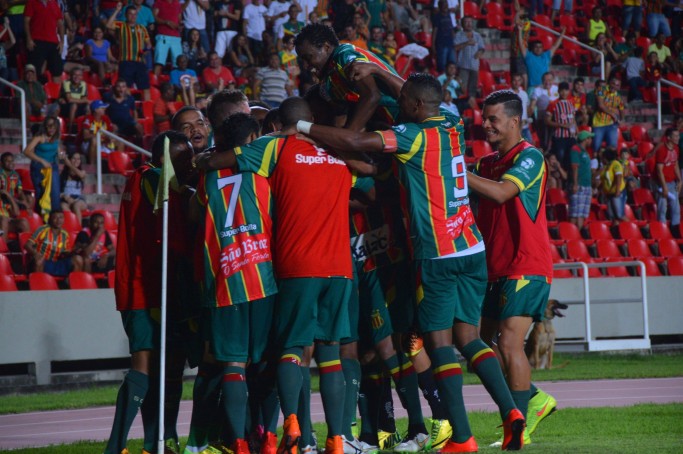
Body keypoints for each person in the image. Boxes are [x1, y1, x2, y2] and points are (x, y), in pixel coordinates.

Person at [296, 72, 526, 452]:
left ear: (417, 106)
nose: (396, 108)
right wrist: (375, 75)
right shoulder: (453, 124)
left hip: (437, 254)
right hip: (471, 247)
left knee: (438, 346)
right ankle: (511, 412)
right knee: (470, 338)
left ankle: (463, 438)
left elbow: (355, 140)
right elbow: (408, 93)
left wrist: (304, 127)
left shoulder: (410, 136)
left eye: (403, 103)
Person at [197, 96, 363, 454]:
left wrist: (201, 159)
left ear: (280, 124)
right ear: (311, 119)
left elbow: (221, 160)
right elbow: (367, 177)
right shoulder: (336, 153)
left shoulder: (275, 148)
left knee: (291, 348)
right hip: (340, 267)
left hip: (297, 266)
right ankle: (337, 439)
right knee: (331, 352)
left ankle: (292, 422)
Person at [466, 90, 556, 448]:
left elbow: (503, 193)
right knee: (474, 344)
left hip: (527, 265)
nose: (485, 124)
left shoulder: (531, 157)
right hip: (492, 268)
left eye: (493, 119)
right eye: (484, 118)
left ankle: (518, 429)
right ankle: (533, 398)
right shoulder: (485, 164)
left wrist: (455, 169)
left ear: (515, 122)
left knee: (507, 342)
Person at [190, 113, 277, 454]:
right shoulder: (261, 170)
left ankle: (239, 443)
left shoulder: (207, 176)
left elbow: (194, 217)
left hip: (224, 281)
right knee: (269, 360)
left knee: (233, 364)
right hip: (263, 279)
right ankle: (268, 438)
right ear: (253, 137)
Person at [105, 131, 195, 454]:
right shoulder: (150, 176)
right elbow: (175, 189)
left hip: (152, 288)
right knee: (143, 364)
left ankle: (151, 444)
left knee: (158, 369)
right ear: (163, 158)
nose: (188, 165)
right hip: (144, 289)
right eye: (182, 159)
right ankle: (114, 447)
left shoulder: (140, 179)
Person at [294, 23, 400, 131]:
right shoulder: (329, 79)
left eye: (308, 58)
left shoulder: (343, 55)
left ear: (326, 47)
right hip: (390, 126)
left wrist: (347, 136)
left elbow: (372, 95)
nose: (306, 66)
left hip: (403, 118)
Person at [107, 3, 153, 101]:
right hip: (126, 62)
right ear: (126, 15)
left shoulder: (142, 28)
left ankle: (147, 109)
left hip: (140, 62)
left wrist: (146, 50)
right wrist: (116, 10)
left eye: (135, 14)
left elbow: (148, 44)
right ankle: (128, 107)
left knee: (145, 87)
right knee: (125, 87)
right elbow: (108, 25)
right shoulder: (121, 25)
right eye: (130, 14)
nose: (133, 16)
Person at [23, 116, 62, 217]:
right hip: (38, 168)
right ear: (45, 127)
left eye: (53, 126)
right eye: (49, 126)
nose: (51, 129)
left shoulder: (57, 137)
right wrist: (41, 160)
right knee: (40, 194)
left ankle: (54, 218)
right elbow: (26, 151)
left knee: (54, 193)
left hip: (52, 167)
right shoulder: (39, 137)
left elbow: (58, 150)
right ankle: (41, 219)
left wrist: (61, 154)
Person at [25, 210, 83, 276]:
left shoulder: (65, 234)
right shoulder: (42, 230)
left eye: (61, 218)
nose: (58, 220)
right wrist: (36, 254)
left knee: (78, 259)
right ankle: (39, 283)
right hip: (44, 262)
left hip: (58, 262)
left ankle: (70, 283)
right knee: (39, 260)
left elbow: (64, 253)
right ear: (50, 219)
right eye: (55, 218)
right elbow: (27, 245)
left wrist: (73, 252)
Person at [24, 0, 65, 84]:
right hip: (37, 41)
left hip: (53, 42)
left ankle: (57, 95)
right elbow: (26, 21)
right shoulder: (32, 2)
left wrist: (62, 41)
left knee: (57, 71)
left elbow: (60, 23)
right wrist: (29, 39)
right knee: (34, 71)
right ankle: (34, 95)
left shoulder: (54, 3)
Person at [654, 128, 682, 234]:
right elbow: (659, 170)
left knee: (676, 207)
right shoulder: (662, 150)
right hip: (661, 184)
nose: (677, 138)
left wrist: (680, 180)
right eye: (675, 136)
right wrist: (664, 186)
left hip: (672, 182)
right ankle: (662, 231)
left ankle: (675, 231)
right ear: (669, 138)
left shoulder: (676, 148)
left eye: (678, 136)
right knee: (662, 207)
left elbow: (675, 164)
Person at [453, 16, 485, 110]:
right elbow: (455, 48)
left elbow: (482, 48)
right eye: (466, 22)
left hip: (474, 66)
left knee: (472, 90)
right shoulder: (459, 35)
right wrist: (467, 43)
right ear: (462, 24)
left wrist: (480, 52)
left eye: (470, 22)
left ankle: (472, 110)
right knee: (461, 89)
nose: (468, 24)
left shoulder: (477, 35)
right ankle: (459, 108)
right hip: (463, 66)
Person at [545, 81, 577, 168]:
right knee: (560, 156)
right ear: (558, 91)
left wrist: (576, 132)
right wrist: (562, 125)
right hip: (559, 136)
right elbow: (547, 121)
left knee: (572, 158)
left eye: (566, 90)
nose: (564, 93)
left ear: (569, 91)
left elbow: (573, 119)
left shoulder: (572, 103)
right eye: (562, 90)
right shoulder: (553, 104)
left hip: (571, 136)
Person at [569, 131, 595, 229]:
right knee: (575, 213)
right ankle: (571, 235)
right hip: (579, 185)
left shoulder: (585, 151)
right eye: (590, 138)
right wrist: (575, 183)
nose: (591, 140)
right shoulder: (576, 149)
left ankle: (578, 236)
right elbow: (574, 167)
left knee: (582, 214)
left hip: (586, 185)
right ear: (585, 139)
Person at [592, 75, 624, 154]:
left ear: (619, 87)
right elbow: (600, 105)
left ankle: (609, 164)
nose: (614, 86)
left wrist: (621, 119)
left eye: (617, 85)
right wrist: (612, 114)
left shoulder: (618, 96)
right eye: (613, 84)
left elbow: (621, 109)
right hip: (599, 124)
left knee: (612, 148)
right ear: (609, 83)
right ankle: (596, 164)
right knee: (596, 147)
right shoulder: (601, 90)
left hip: (611, 125)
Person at [82, 100, 120, 164]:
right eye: (102, 108)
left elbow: (112, 132)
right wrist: (100, 135)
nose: (104, 109)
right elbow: (85, 136)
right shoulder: (88, 119)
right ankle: (92, 165)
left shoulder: (106, 118)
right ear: (96, 110)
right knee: (94, 140)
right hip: (88, 144)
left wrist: (112, 135)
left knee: (120, 142)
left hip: (103, 143)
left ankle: (117, 165)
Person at [152, 0, 183, 76]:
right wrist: (166, 22)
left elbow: (179, 18)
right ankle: (154, 83)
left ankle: (178, 83)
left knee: (179, 63)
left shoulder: (177, 3)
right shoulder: (159, 2)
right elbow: (154, 17)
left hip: (176, 36)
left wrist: (180, 26)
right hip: (163, 35)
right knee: (159, 61)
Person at [600, 147, 629, 224]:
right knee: (613, 216)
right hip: (609, 194)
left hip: (617, 193)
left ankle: (632, 229)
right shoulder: (605, 167)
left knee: (620, 215)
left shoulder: (615, 164)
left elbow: (618, 176)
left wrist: (617, 190)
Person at [59, 152, 89, 226]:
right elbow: (58, 191)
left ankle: (78, 228)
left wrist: (69, 164)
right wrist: (64, 196)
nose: (76, 161)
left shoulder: (82, 172)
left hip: (79, 199)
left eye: (78, 159)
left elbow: (81, 175)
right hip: (67, 198)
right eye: (74, 158)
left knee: (76, 205)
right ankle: (70, 225)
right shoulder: (62, 175)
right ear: (70, 159)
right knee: (62, 206)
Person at [58, 67, 90, 132]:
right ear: (71, 76)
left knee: (88, 107)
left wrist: (84, 101)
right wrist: (83, 100)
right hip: (66, 107)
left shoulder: (83, 84)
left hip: (78, 106)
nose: (77, 77)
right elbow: (69, 99)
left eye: (79, 75)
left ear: (82, 77)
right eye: (74, 75)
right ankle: (70, 128)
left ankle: (87, 128)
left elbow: (84, 99)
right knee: (74, 105)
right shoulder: (66, 83)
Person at [510, 73, 532, 143]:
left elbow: (527, 107)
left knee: (529, 147)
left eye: (518, 80)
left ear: (521, 82)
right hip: (513, 127)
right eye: (514, 80)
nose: (516, 83)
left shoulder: (524, 93)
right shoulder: (507, 94)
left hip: (525, 126)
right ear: (511, 81)